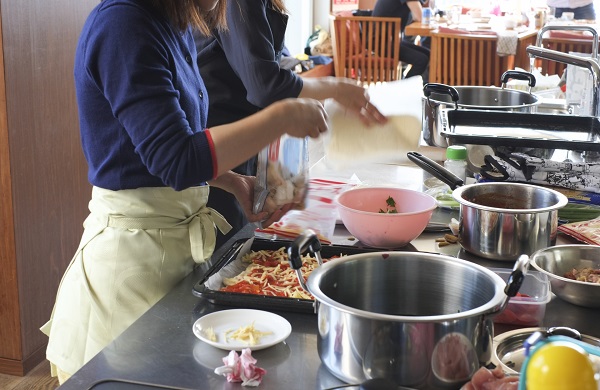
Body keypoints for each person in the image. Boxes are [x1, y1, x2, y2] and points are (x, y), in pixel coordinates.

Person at [40, 0, 376, 384]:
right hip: (128, 269)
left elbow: (161, 146)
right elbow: (175, 158)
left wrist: (231, 180)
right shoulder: (123, 24)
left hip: (170, 257)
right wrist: (280, 116)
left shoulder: (175, 23)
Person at [194, 0, 388, 248]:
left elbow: (273, 62)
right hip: (219, 143)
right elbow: (264, 85)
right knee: (224, 248)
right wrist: (333, 88)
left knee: (242, 236)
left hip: (241, 146)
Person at [372, 0, 431, 81]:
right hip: (381, 43)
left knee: (428, 54)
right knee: (421, 60)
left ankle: (421, 87)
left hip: (390, 41)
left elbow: (417, 16)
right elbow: (419, 17)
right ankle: (404, 89)